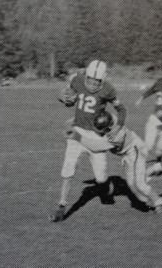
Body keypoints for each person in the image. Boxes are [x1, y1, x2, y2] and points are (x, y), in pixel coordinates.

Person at [50, 60, 126, 222]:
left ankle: (104, 187)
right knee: (68, 169)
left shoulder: (108, 89)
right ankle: (61, 207)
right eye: (90, 80)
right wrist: (63, 98)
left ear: (103, 79)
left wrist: (118, 127)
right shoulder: (77, 80)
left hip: (96, 136)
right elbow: (66, 98)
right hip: (77, 131)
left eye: (96, 81)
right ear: (86, 76)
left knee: (100, 178)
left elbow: (121, 109)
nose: (92, 84)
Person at [68, 110, 162, 214]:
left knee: (140, 184)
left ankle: (159, 204)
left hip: (136, 151)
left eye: (100, 130)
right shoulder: (111, 119)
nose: (97, 131)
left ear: (107, 128)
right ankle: (159, 167)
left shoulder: (116, 137)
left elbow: (96, 147)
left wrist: (77, 137)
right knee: (133, 186)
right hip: (129, 153)